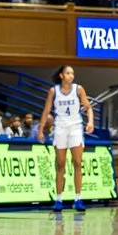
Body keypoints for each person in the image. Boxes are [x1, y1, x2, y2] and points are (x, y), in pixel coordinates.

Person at [39, 65, 91, 212]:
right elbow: (46, 111)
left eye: (72, 73)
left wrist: (91, 122)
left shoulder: (78, 89)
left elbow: (88, 107)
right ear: (61, 75)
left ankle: (78, 198)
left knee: (77, 162)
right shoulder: (53, 91)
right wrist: (41, 130)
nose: (71, 76)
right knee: (60, 164)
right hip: (60, 128)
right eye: (68, 73)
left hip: (75, 127)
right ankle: (59, 199)